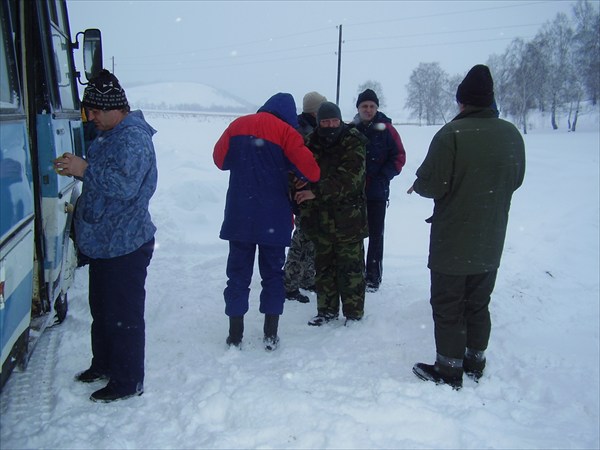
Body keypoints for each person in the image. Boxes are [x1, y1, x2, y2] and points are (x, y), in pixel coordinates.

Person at [408, 65, 526, 389]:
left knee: (448, 304)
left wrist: (419, 185)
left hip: (454, 239)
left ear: (462, 101)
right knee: (478, 302)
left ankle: (448, 370)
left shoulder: (451, 134)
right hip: (490, 237)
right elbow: (516, 180)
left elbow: (433, 183)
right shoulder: (512, 134)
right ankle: (475, 361)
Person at [54, 69, 157, 403]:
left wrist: (84, 170)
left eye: (96, 111)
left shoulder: (133, 138)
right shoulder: (110, 132)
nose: (92, 117)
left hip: (125, 245)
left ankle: (127, 381)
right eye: (88, 112)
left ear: (117, 108)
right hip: (104, 243)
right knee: (103, 310)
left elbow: (126, 187)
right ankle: (104, 364)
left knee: (124, 316)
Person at [213, 92, 320, 351]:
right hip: (273, 217)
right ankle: (270, 334)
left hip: (240, 216)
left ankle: (235, 334)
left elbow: (219, 160)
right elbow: (312, 172)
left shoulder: (238, 125)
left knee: (237, 275)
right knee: (273, 275)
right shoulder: (287, 133)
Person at [295, 102, 369, 326]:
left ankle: (354, 313)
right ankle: (326, 311)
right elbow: (299, 168)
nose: (330, 126)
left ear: (340, 120)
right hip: (320, 219)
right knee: (324, 267)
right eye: (325, 122)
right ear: (318, 123)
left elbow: (350, 180)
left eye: (334, 121)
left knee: (351, 268)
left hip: (349, 219)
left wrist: (314, 191)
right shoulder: (310, 142)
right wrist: (297, 181)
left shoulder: (353, 140)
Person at [353, 89, 406, 292]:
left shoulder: (388, 130)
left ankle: (373, 277)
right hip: (353, 193)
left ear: (377, 108)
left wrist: (383, 177)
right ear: (358, 108)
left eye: (372, 106)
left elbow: (399, 157)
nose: (368, 110)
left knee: (376, 235)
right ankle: (355, 273)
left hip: (376, 193)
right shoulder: (351, 128)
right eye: (364, 106)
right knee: (353, 234)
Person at [284, 91, 327, 304]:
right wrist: (300, 180)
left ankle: (308, 279)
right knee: (301, 239)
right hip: (304, 196)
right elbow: (295, 162)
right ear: (315, 110)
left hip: (312, 193)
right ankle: (289, 283)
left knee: (310, 239)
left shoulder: (310, 127)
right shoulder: (302, 131)